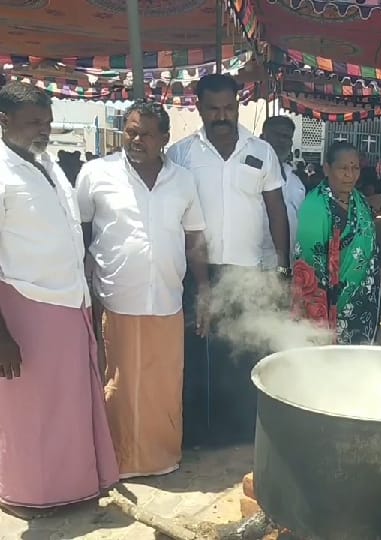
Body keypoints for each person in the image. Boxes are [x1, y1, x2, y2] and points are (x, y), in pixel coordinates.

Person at [0, 81, 119, 516]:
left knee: (71, 402)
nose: (43, 130)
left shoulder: (46, 162)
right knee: (33, 409)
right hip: (25, 307)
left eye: (47, 122)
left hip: (69, 303)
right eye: (33, 122)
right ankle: (30, 495)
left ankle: (76, 486)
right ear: (4, 121)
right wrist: (2, 336)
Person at [76, 101, 209, 479]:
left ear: (164, 139)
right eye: (131, 131)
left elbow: (195, 239)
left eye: (146, 134)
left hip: (167, 298)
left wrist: (204, 290)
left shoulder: (182, 180)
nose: (135, 140)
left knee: (164, 384)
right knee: (118, 383)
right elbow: (81, 234)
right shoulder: (95, 173)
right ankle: (116, 462)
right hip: (117, 296)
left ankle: (161, 459)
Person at [166, 74, 290, 446]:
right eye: (213, 109)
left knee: (243, 350)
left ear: (238, 106)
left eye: (229, 108)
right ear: (199, 108)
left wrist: (282, 266)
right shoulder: (181, 154)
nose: (222, 116)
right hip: (198, 270)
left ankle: (240, 433)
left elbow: (277, 211)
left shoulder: (261, 151)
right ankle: (200, 435)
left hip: (248, 271)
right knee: (201, 353)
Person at [292, 142, 381, 344]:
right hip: (333, 312)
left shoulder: (359, 201)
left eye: (355, 168)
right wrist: (319, 329)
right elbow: (310, 270)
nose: (350, 175)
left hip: (362, 308)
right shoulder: (315, 208)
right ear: (327, 168)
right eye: (343, 168)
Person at [260, 115, 306, 270]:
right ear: (262, 138)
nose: (281, 141)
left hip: (287, 267)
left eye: (286, 137)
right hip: (255, 269)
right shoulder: (250, 175)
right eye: (277, 135)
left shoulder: (296, 183)